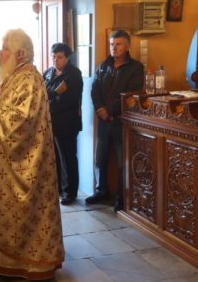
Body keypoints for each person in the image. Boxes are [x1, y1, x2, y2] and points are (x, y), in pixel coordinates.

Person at [0, 29, 64, 280]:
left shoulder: (29, 79)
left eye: (5, 49)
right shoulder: (15, 77)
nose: (0, 53)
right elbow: (8, 108)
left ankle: (29, 263)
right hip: (7, 166)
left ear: (19, 54)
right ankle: (7, 258)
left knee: (26, 212)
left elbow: (23, 121)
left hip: (26, 166)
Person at [87, 29, 144, 212]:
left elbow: (131, 95)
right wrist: (100, 109)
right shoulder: (104, 66)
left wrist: (109, 110)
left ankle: (121, 197)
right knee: (100, 159)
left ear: (127, 46)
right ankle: (101, 191)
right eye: (112, 44)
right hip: (103, 121)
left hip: (121, 122)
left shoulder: (136, 68)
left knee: (122, 162)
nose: (114, 48)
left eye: (118, 44)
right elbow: (94, 89)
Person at [43, 43, 83, 205]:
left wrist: (49, 101)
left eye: (59, 57)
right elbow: (42, 94)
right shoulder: (48, 73)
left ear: (67, 58)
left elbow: (68, 100)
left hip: (67, 123)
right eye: (53, 56)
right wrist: (54, 94)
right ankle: (58, 189)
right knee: (54, 158)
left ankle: (70, 193)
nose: (55, 60)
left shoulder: (73, 74)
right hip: (50, 122)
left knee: (67, 158)